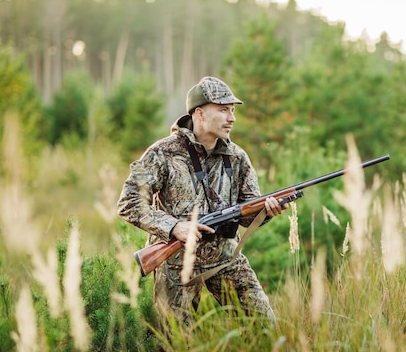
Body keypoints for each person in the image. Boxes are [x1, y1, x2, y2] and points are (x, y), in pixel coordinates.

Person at [117, 76, 287, 324]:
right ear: (200, 113)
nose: (232, 118)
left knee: (265, 327)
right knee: (175, 344)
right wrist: (174, 227)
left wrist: (267, 212)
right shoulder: (162, 153)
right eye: (223, 110)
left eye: (232, 110)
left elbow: (249, 212)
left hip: (226, 258)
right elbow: (129, 202)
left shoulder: (237, 157)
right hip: (177, 264)